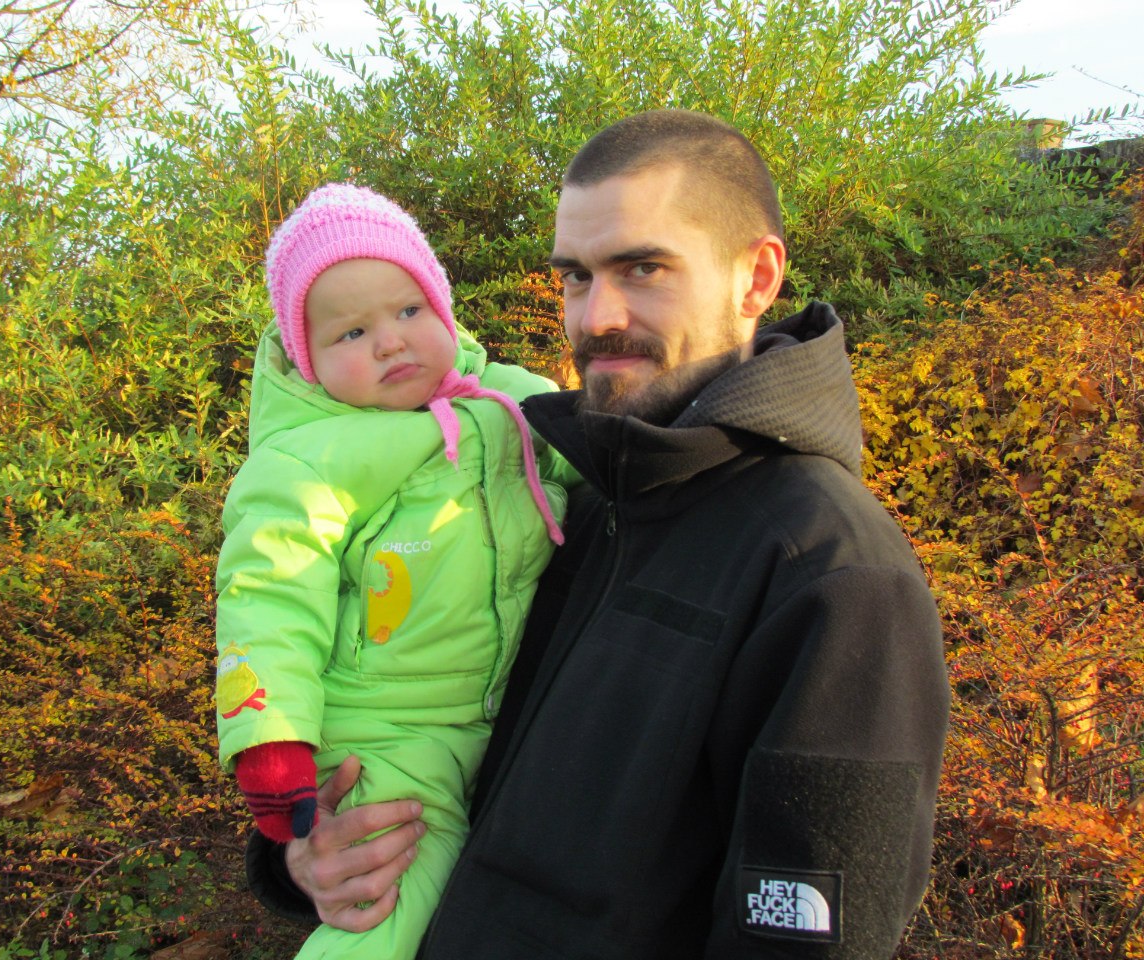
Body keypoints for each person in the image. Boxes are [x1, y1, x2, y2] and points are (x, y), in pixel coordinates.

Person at [247, 110, 950, 959]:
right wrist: (307, 856)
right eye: (576, 276)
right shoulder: (557, 500)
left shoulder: (833, 576)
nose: (597, 315)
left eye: (642, 268)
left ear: (755, 278)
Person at [215, 183, 575, 960]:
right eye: (351, 331)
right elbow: (268, 597)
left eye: (409, 310)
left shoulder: (509, 403)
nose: (390, 342)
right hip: (386, 736)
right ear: (307, 358)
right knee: (387, 908)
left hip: (503, 723)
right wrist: (270, 738)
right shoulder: (306, 461)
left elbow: (603, 449)